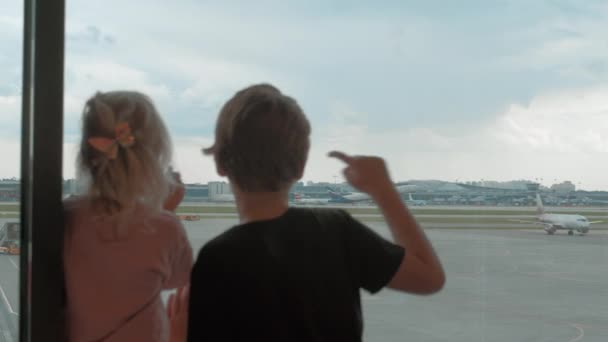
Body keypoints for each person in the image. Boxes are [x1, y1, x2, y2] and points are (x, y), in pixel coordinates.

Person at [187, 84, 445, 342]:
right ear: (301, 166)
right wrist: (383, 190)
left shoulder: (218, 258)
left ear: (220, 163)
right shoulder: (336, 228)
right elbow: (429, 278)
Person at [63, 91, 193, 342]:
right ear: (154, 158)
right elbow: (176, 279)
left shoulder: (64, 217)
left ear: (86, 153)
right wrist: (164, 212)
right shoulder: (163, 227)